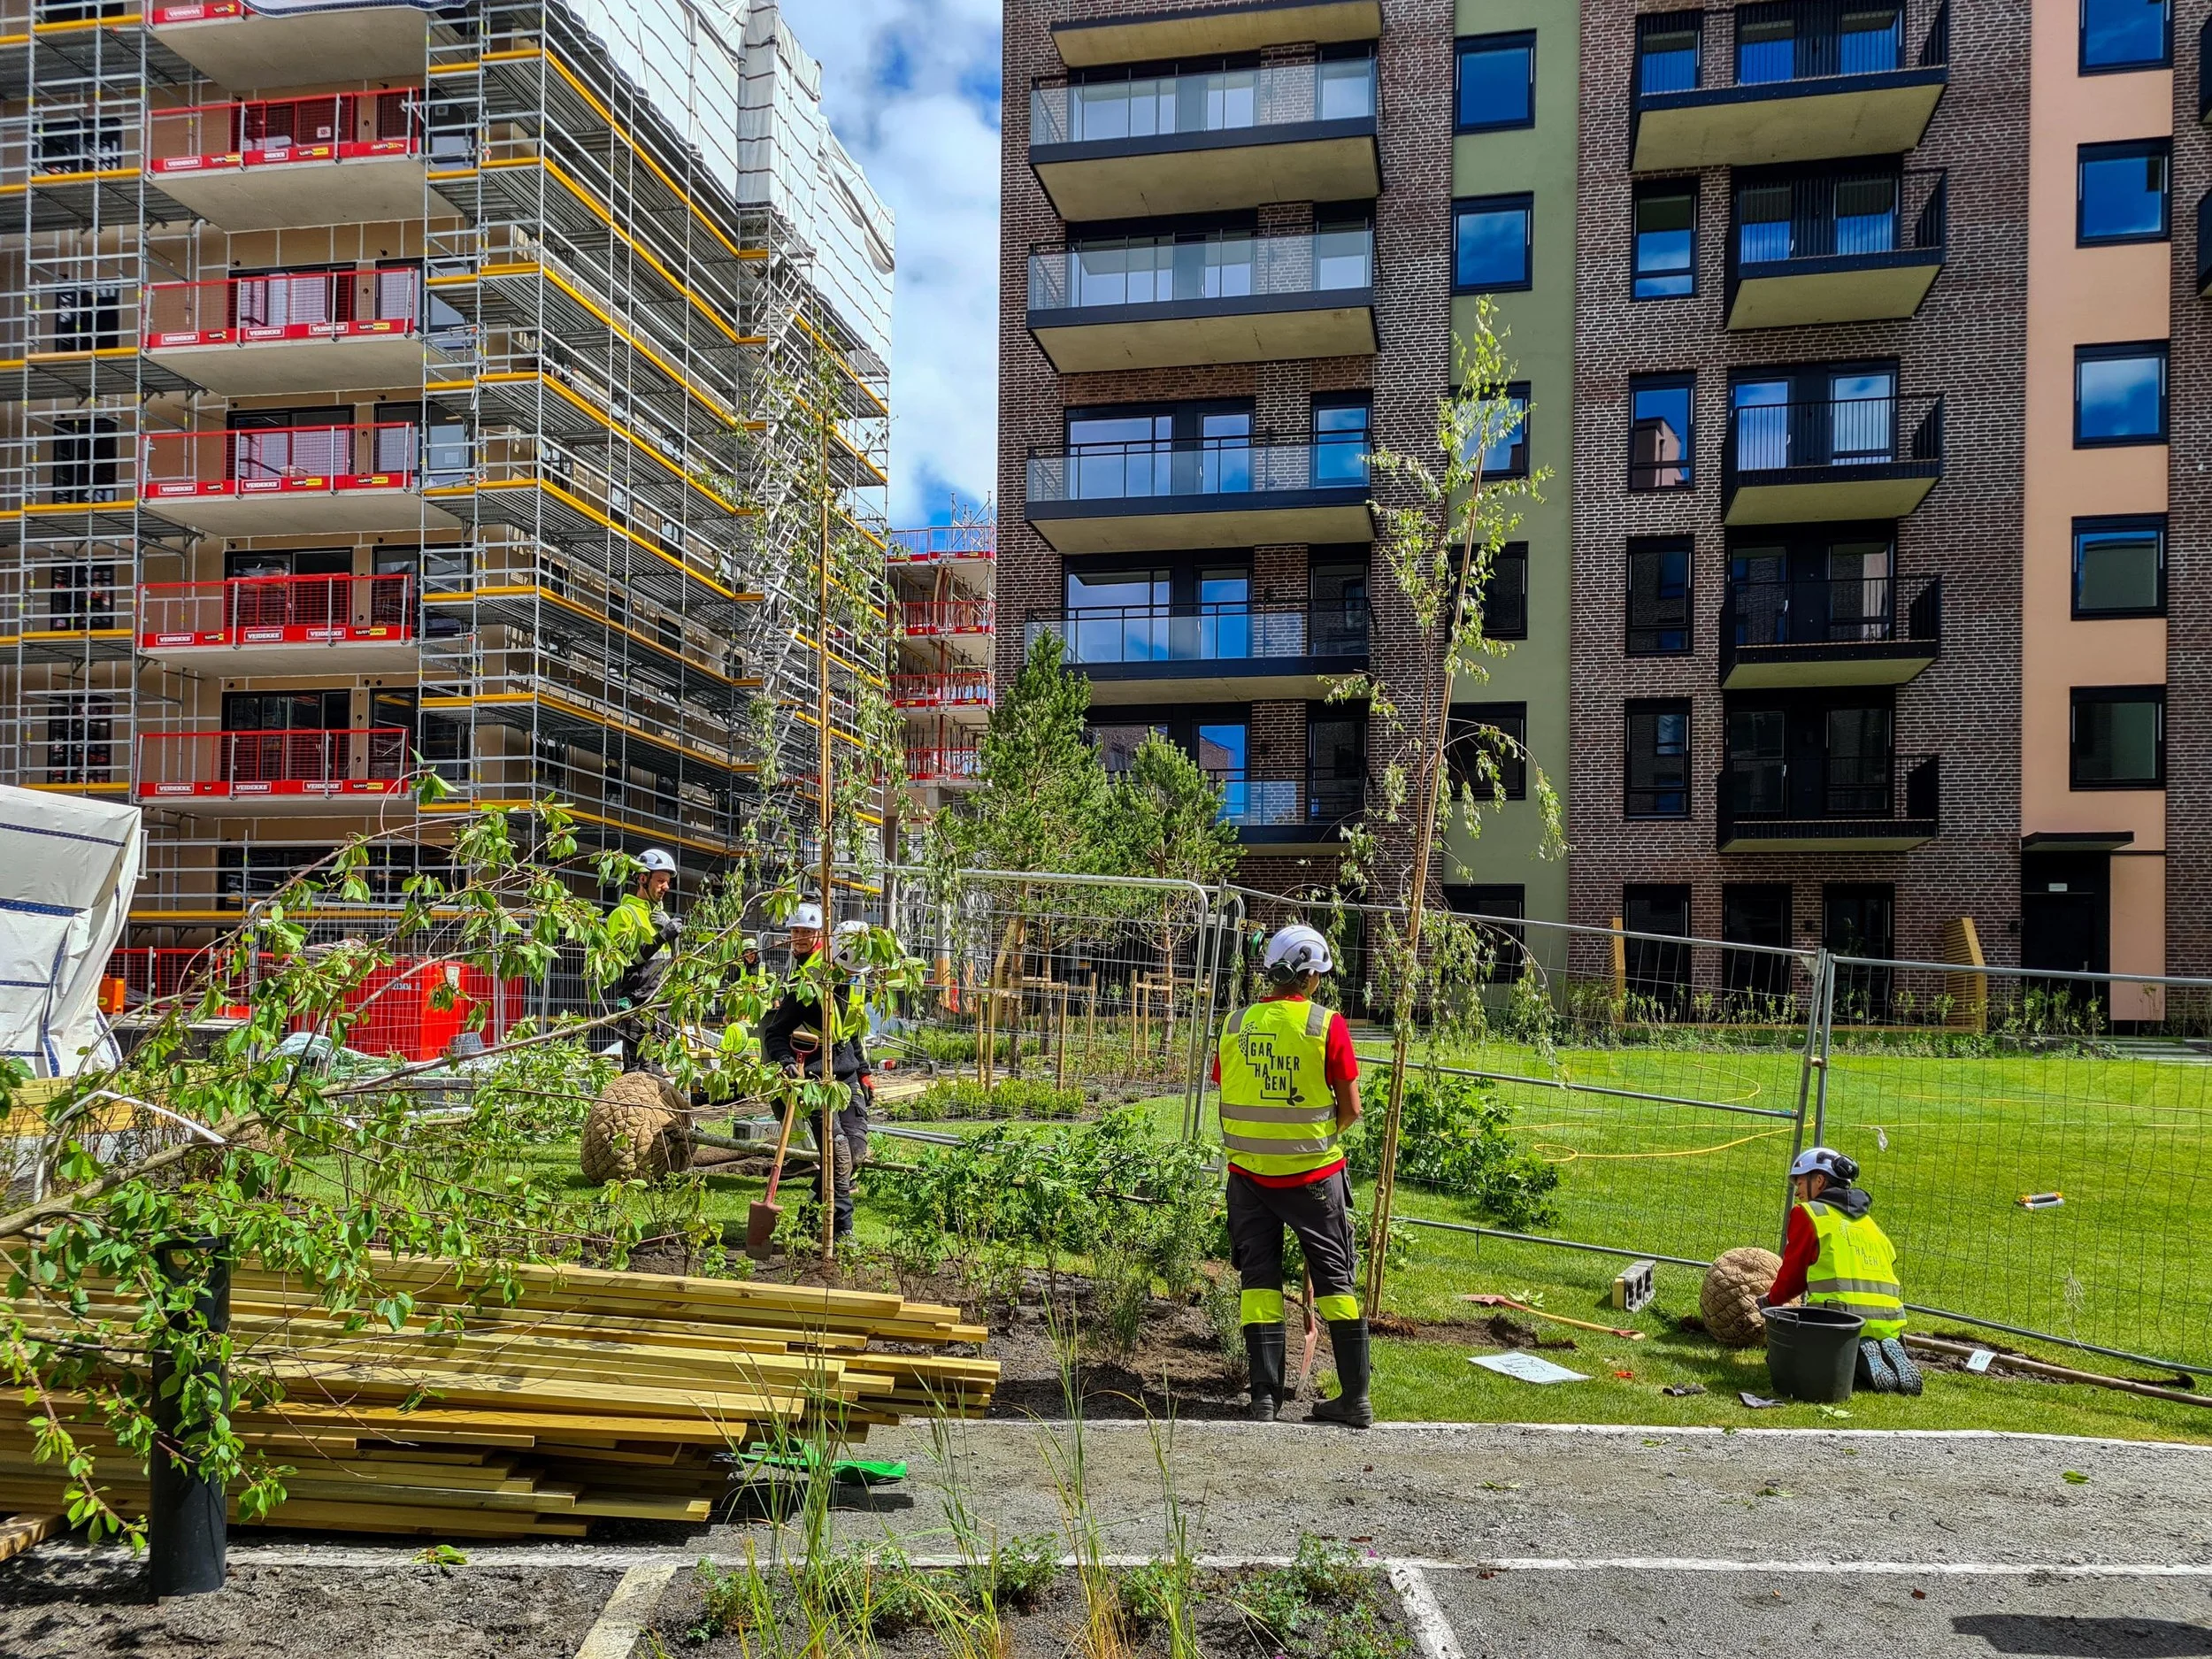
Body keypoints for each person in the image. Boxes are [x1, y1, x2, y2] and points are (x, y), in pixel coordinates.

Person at [1214, 922, 1370, 1427]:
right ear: (1311, 977)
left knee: (1259, 1282)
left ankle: (1264, 1399)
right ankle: (1355, 1399)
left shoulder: (1235, 1025)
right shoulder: (1329, 1025)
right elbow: (1351, 1107)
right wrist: (1318, 1133)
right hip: (1313, 1177)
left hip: (1249, 1178)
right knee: (1335, 1280)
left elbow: (1231, 1090)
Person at [1765, 1145, 1922, 1396]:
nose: (1797, 1192)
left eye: (1800, 1182)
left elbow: (1794, 1275)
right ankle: (1885, 1345)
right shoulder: (1870, 1224)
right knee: (1870, 1337)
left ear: (1819, 1180)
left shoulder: (1810, 1215)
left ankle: (1861, 1357)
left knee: (1798, 1356)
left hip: (1839, 1322)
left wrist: (1771, 1301)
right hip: (1889, 1320)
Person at [758, 904, 875, 1238]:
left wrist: (864, 1072)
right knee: (836, 1149)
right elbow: (774, 1033)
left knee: (854, 1151)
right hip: (814, 1075)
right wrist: (785, 1063)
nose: (852, 975)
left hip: (846, 1072)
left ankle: (811, 1216)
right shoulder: (809, 984)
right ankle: (841, 1230)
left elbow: (852, 1029)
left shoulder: (857, 979)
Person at [605, 848, 680, 1071]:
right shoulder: (624, 914)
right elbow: (627, 960)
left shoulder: (659, 916)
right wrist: (662, 936)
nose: (666, 887)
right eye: (660, 881)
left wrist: (674, 937)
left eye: (667, 882)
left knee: (657, 1069)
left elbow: (676, 962)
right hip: (637, 1004)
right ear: (642, 878)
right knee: (637, 1071)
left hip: (662, 1003)